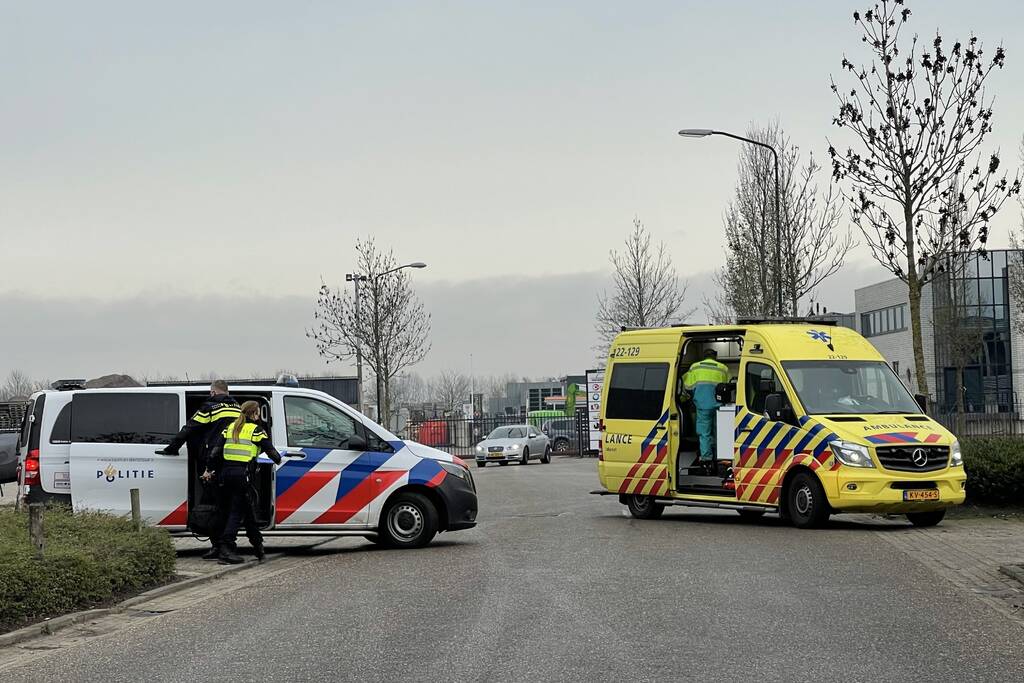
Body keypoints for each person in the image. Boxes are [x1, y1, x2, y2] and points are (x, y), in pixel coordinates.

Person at [155, 379, 240, 559]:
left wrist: (172, 448)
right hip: (233, 462)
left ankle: (220, 546)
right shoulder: (237, 408)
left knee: (214, 506)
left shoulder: (210, 408)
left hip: (211, 462)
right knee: (225, 505)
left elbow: (189, 429)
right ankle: (222, 545)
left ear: (213, 392)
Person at [209, 401, 282, 564]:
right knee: (237, 511)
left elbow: (215, 453)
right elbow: (271, 452)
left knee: (246, 511)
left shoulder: (230, 428)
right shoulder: (256, 430)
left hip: (225, 475)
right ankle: (226, 548)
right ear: (255, 414)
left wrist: (209, 470)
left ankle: (259, 549)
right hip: (242, 476)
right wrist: (278, 458)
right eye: (257, 414)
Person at [683, 349, 730, 473]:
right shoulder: (723, 368)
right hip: (720, 407)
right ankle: (721, 460)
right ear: (715, 357)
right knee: (720, 434)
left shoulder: (695, 367)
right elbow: (729, 386)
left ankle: (706, 461)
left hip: (703, 406)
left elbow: (687, 386)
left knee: (705, 434)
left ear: (703, 357)